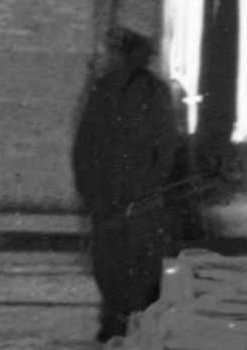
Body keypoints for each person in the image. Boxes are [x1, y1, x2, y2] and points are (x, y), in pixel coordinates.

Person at [70, 26, 186, 345]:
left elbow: (85, 144)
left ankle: (119, 322)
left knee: (118, 266)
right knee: (133, 267)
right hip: (131, 197)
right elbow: (164, 145)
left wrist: (90, 189)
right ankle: (126, 322)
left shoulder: (113, 89)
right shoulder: (145, 90)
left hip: (117, 197)